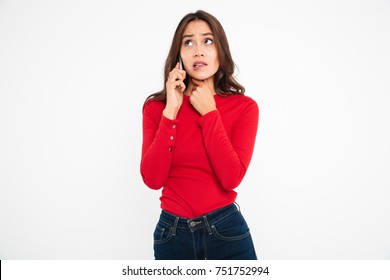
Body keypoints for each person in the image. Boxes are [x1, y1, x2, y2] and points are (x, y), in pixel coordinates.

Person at [140, 10, 259, 260]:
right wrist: (171, 110)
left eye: (207, 40)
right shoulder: (156, 108)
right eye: (188, 42)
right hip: (172, 234)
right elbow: (152, 179)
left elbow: (231, 178)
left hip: (226, 231)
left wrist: (209, 113)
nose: (198, 50)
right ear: (179, 55)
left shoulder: (245, 107)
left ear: (220, 51)